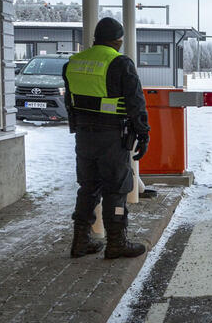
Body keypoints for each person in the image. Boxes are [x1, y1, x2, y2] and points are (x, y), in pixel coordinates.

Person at [63, 17, 150, 259]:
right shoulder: (120, 63)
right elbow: (135, 103)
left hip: (84, 135)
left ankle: (80, 241)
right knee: (116, 187)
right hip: (112, 136)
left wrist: (77, 127)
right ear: (117, 40)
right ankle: (116, 242)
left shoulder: (73, 63)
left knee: (88, 187)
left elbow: (69, 101)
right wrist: (143, 133)